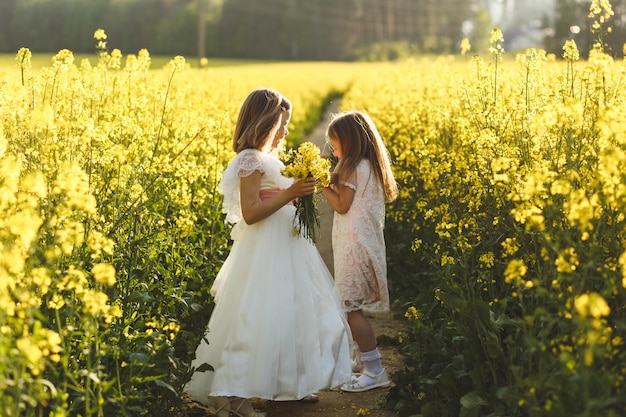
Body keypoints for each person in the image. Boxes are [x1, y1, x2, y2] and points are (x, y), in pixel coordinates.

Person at [184, 88, 352, 417]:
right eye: (282, 123)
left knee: (291, 310)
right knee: (256, 316)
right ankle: (235, 396)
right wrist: (290, 190)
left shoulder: (268, 158)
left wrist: (299, 192)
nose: (286, 130)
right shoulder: (249, 159)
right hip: (264, 248)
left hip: (285, 245)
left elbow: (278, 197)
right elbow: (250, 211)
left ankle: (290, 384)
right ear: (266, 121)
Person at [321, 110, 398, 393]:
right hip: (364, 243)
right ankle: (360, 359)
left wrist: (320, 184)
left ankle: (374, 369)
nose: (333, 149)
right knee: (352, 305)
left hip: (354, 246)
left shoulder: (353, 168)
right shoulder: (369, 165)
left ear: (350, 142)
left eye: (336, 143)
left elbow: (341, 205)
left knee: (351, 308)